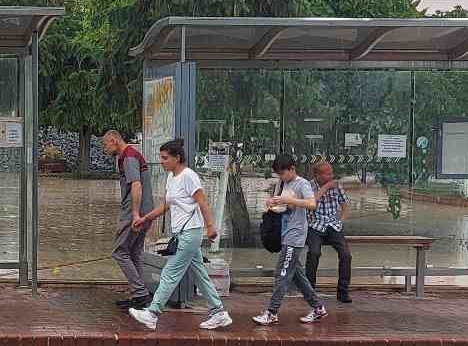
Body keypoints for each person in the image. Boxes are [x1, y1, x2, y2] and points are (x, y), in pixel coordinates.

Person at [128, 140, 230, 331]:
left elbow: (202, 201)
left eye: (165, 158)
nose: (162, 161)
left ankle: (152, 313)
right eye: (161, 157)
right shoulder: (171, 178)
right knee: (200, 274)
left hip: (191, 232)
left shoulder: (189, 176)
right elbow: (167, 205)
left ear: (177, 158)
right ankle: (219, 312)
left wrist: (210, 227)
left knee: (170, 272)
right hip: (183, 233)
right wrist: (145, 219)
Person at [254, 156, 329, 326]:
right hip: (285, 233)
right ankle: (318, 308)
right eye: (279, 174)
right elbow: (283, 207)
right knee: (297, 276)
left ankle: (271, 312)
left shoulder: (302, 184)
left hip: (295, 236)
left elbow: (312, 204)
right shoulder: (283, 184)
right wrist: (272, 202)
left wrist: (288, 200)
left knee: (282, 274)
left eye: (283, 173)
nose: (281, 177)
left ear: (292, 169)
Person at [102, 130, 154, 309]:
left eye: (105, 144)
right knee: (134, 252)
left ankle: (140, 293)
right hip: (147, 210)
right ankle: (141, 294)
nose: (104, 149)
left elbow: (136, 185)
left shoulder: (128, 157)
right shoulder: (130, 155)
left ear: (114, 140)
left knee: (119, 251)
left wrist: (134, 215)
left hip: (135, 212)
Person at [305, 160, 353, 305]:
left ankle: (343, 291)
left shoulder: (337, 186)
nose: (331, 176)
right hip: (315, 225)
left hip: (333, 225)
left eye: (331, 173)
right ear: (318, 175)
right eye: (327, 174)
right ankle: (309, 291)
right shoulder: (309, 186)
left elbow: (345, 206)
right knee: (314, 253)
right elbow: (311, 202)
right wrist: (326, 187)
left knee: (346, 254)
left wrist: (340, 221)